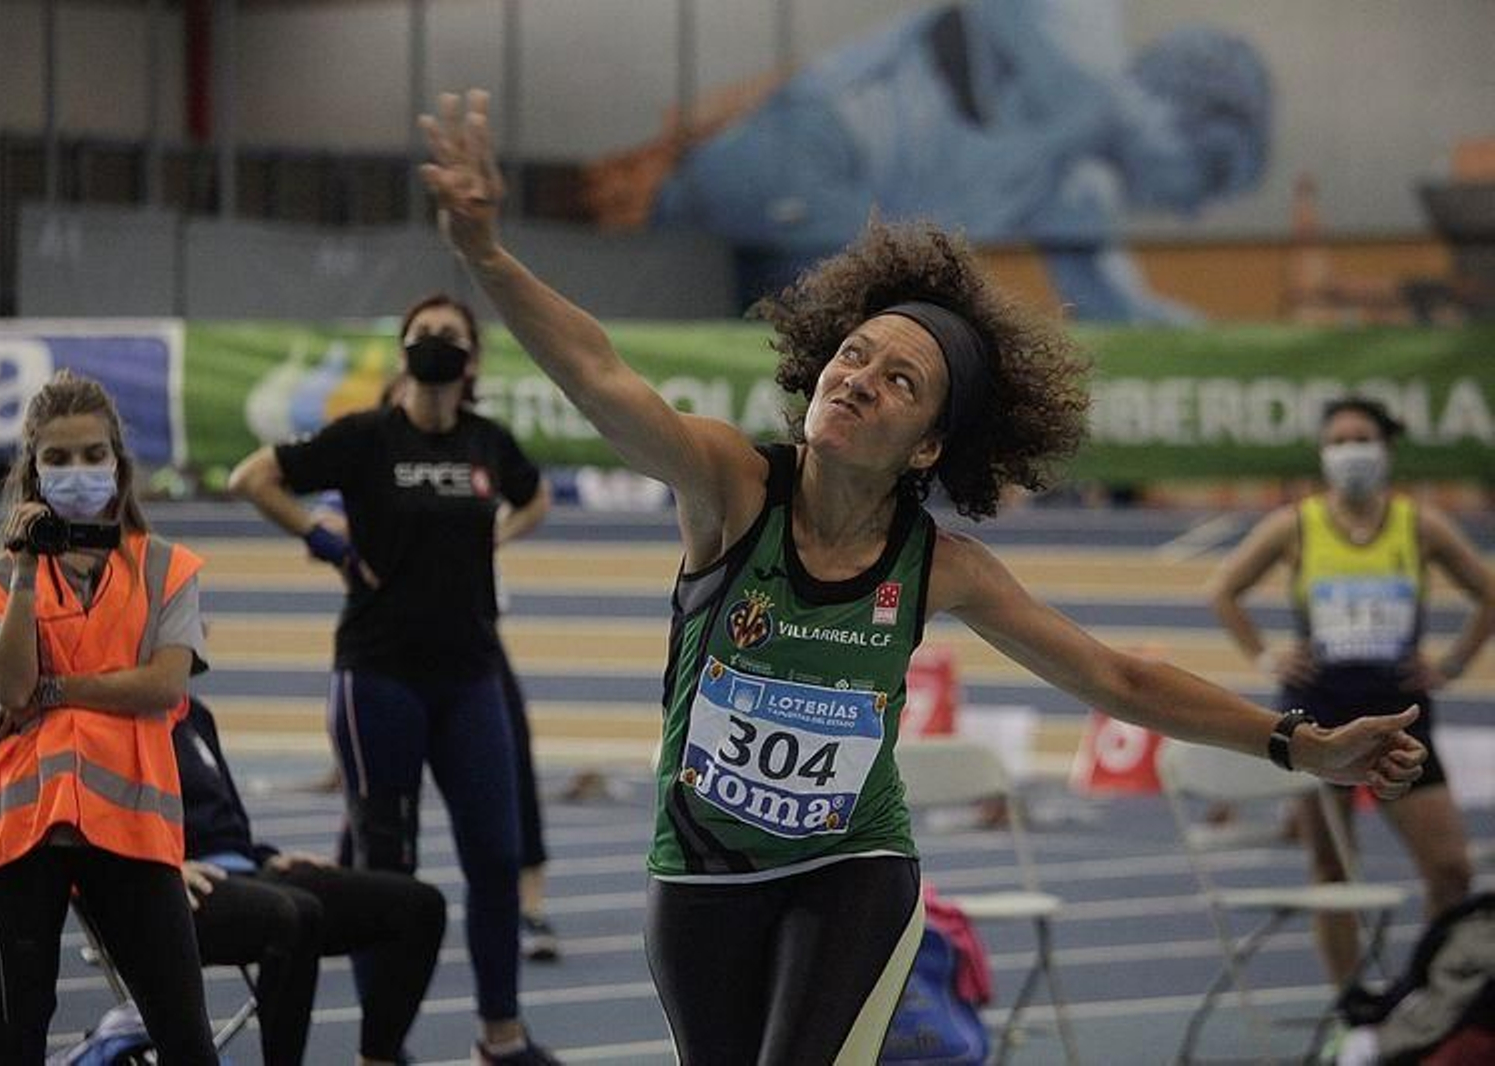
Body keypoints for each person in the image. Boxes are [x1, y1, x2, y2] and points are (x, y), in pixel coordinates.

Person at [419, 90, 1427, 1063]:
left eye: (899, 379)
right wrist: (485, 255)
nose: (858, 378)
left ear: (926, 449)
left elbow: (1116, 680)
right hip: (699, 869)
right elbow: (601, 375)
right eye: (853, 356)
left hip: (850, 865)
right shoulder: (729, 488)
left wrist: (1302, 746)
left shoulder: (940, 569)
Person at [227, 294, 558, 1065]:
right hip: (378, 679)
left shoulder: (488, 443)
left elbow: (533, 494)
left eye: (452, 337)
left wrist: (496, 539)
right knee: (387, 876)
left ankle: (500, 1039)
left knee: (498, 857)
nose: (437, 346)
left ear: (472, 360)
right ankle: (384, 1050)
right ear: (403, 348)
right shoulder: (366, 437)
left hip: (471, 677)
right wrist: (328, 543)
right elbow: (253, 478)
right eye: (423, 335)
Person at [651, 0, 1271, 320]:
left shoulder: (1071, 187)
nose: (1191, 209)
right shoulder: (1083, 28)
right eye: (1210, 174)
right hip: (811, 146)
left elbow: (1125, 312)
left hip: (825, 224)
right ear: (1176, 113)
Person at [0, 370, 218, 1064]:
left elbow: (163, 686)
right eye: (59, 458)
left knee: (186, 1036)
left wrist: (55, 691)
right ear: (33, 472)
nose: (79, 471)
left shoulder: (167, 567)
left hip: (131, 827)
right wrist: (21, 573)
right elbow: (13, 689)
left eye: (93, 454)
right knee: (20, 1035)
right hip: (20, 826)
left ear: (119, 463)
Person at [1208, 397, 1493, 985]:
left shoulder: (1419, 524)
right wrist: (1266, 655)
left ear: (1385, 449)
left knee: (1450, 872)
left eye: (1360, 439)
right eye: (1336, 442)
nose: (1348, 452)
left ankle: (1427, 997)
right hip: (1318, 716)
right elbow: (1224, 591)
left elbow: (1488, 591)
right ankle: (1349, 1007)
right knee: (1332, 870)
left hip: (1403, 714)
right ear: (1322, 453)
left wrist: (1453, 662)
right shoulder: (1297, 524)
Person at [174, 697, 447, 1065]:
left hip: (247, 870)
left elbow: (226, 825)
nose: (201, 637)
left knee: (419, 906)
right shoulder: (116, 720)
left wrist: (267, 857)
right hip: (178, 888)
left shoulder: (195, 714)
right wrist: (161, 867)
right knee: (296, 914)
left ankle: (378, 1059)